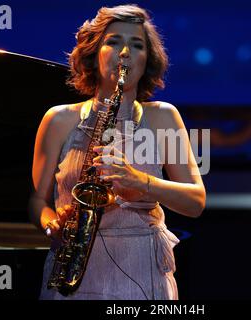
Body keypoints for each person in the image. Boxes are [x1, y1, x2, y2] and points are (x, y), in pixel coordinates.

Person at [28, 4, 206, 300]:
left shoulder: (164, 116)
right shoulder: (58, 120)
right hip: (73, 269)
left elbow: (196, 202)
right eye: (113, 42)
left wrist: (140, 181)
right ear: (93, 53)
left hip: (143, 270)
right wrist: (51, 225)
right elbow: (37, 200)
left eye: (137, 45)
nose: (125, 53)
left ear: (147, 59)